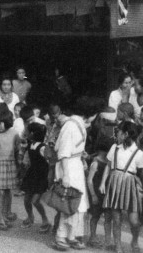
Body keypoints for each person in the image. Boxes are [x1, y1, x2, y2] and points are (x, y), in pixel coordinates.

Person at [99, 121, 143, 253]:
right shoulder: (114, 147)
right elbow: (108, 166)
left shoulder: (138, 153)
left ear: (125, 134)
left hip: (130, 184)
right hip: (114, 183)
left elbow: (141, 173)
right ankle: (118, 246)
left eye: (118, 132)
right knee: (116, 218)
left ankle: (135, 239)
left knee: (134, 221)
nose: (116, 134)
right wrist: (103, 183)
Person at [52, 99, 89, 251]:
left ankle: (72, 235)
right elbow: (63, 153)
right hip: (68, 167)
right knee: (69, 201)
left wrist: (81, 155)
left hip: (76, 165)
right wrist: (66, 175)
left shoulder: (76, 124)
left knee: (79, 203)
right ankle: (60, 236)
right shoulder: (70, 126)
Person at [0, 106, 21, 231]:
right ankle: (0, 218)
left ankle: (6, 214)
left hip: (10, 165)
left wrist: (19, 165)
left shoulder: (14, 134)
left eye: (2, 123)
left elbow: (18, 150)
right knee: (0, 192)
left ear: (8, 122)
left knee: (8, 192)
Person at [20, 122, 51, 233]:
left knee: (35, 200)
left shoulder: (43, 147)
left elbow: (49, 161)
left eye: (28, 131)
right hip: (31, 175)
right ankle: (30, 217)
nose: (26, 133)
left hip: (40, 177)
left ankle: (45, 220)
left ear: (32, 133)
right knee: (26, 199)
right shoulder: (31, 144)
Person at [87, 137, 114, 249]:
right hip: (97, 194)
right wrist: (93, 195)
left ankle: (107, 241)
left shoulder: (108, 163)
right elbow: (89, 180)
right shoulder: (96, 163)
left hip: (106, 193)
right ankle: (92, 237)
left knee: (107, 217)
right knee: (95, 216)